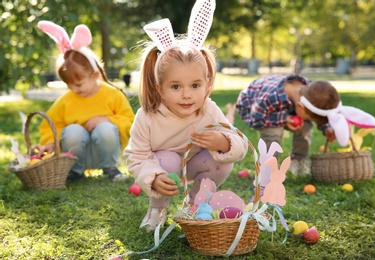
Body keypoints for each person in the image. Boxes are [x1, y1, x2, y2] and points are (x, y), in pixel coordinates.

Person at [124, 0, 248, 233]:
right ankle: (158, 208)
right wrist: (152, 177)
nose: (186, 95)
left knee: (222, 160)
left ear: (207, 84)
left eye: (195, 85)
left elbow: (240, 143)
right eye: (175, 87)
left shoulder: (208, 110)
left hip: (195, 165)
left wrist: (224, 142)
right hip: (165, 169)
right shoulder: (148, 116)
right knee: (167, 159)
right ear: (160, 89)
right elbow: (136, 156)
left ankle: (195, 203)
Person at [35, 21, 134, 181]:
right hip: (75, 154)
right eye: (69, 85)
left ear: (95, 75)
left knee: (105, 129)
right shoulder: (66, 100)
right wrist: (50, 142)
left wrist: (107, 119)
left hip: (104, 152)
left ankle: (110, 168)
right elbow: (51, 126)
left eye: (78, 84)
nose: (74, 89)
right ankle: (75, 170)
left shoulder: (112, 94)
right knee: (73, 130)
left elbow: (130, 123)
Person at [236, 74, 339, 175]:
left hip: (283, 106)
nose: (307, 119)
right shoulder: (272, 97)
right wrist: (283, 119)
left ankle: (297, 161)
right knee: (273, 131)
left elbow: (319, 112)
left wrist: (326, 127)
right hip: (254, 108)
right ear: (300, 106)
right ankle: (268, 167)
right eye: (308, 117)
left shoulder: (314, 93)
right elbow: (257, 119)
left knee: (306, 127)